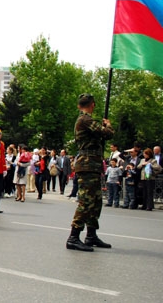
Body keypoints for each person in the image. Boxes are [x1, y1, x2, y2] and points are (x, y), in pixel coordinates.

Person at [66, 93, 114, 252]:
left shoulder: (85, 120)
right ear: (92, 104)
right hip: (87, 165)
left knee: (95, 201)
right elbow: (107, 134)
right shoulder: (85, 119)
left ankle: (91, 235)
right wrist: (108, 125)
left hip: (92, 165)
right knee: (86, 201)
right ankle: (73, 237)